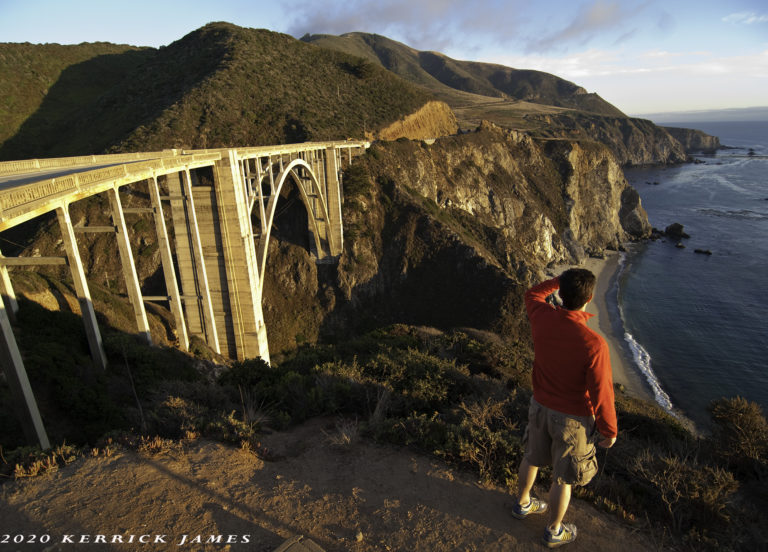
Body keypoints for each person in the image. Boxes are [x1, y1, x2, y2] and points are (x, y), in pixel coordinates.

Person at [512, 268, 617, 548]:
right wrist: (609, 429)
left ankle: (522, 503)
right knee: (563, 477)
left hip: (539, 405)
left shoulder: (542, 317)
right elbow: (602, 392)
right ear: (590, 297)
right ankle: (554, 530)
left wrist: (560, 280)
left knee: (532, 457)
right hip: (573, 419)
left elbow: (533, 293)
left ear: (560, 292)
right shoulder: (594, 345)